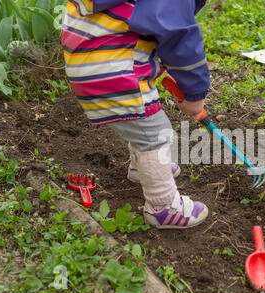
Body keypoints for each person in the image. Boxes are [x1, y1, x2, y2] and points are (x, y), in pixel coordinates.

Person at [62, 0, 210, 229]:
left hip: (87, 60)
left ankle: (142, 167)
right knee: (155, 134)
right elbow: (179, 37)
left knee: (139, 121)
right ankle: (163, 207)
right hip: (115, 70)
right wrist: (195, 94)